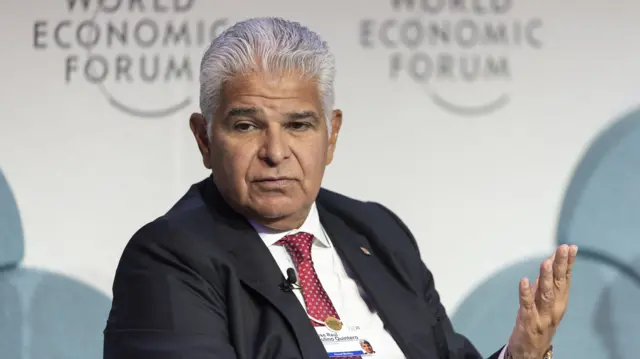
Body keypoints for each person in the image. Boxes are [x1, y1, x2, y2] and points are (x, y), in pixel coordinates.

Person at [103, 17, 578, 359]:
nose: (275, 150)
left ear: (331, 135)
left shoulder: (376, 231)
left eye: (299, 125)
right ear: (205, 139)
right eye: (246, 125)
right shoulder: (169, 257)